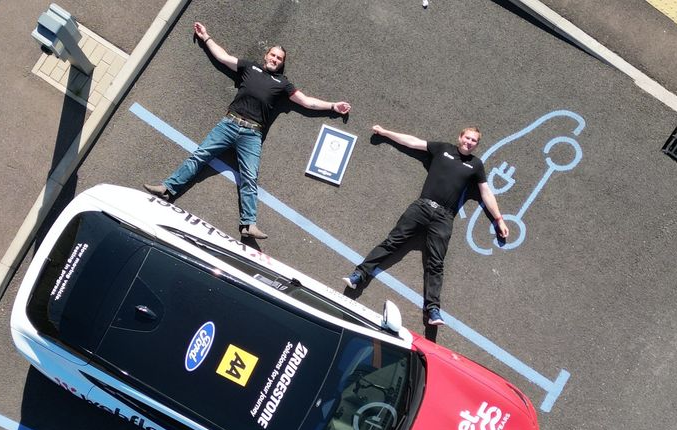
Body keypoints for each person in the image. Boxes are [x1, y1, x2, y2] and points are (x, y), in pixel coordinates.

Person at [144, 22, 352, 240]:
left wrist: (332, 106)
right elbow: (223, 57)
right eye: (273, 55)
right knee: (200, 156)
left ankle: (248, 225)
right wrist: (206, 37)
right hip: (229, 124)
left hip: (252, 135)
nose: (274, 59)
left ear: (281, 64)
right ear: (266, 56)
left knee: (250, 177)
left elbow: (306, 102)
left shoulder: (282, 83)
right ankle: (167, 189)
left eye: (279, 58)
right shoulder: (249, 67)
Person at [342, 124, 510, 326]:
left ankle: (433, 311)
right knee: (392, 242)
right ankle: (359, 274)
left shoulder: (476, 165)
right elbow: (412, 142)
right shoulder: (443, 149)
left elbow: (485, 192)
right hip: (421, 207)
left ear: (476, 144)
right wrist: (386, 133)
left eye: (474, 141)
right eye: (467, 138)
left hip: (444, 217)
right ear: (460, 137)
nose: (469, 142)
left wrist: (498, 219)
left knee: (436, 263)